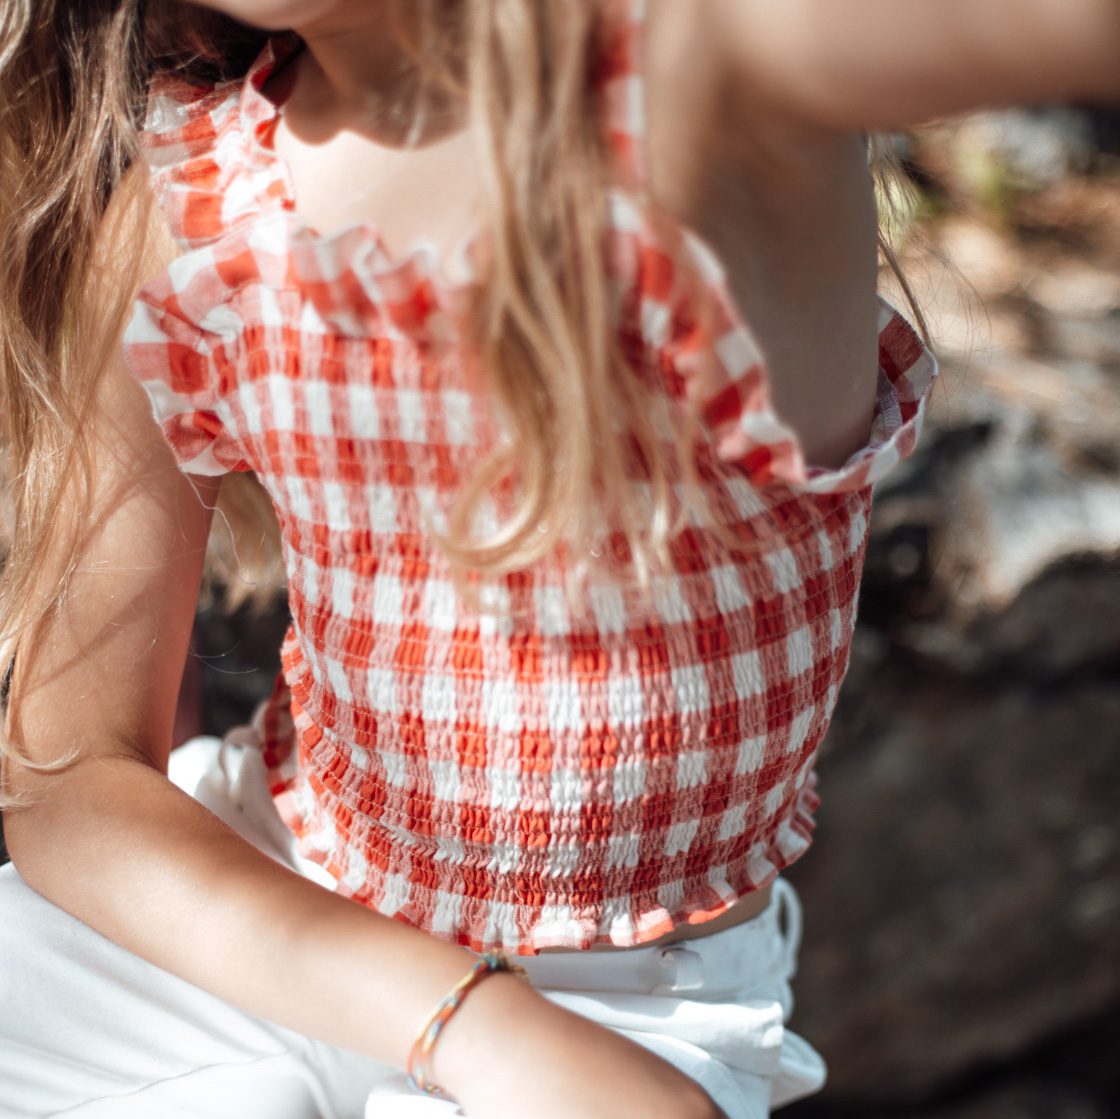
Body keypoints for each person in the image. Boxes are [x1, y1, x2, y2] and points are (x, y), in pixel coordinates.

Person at [0, 2, 1116, 1117]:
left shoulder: (696, 75)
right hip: (253, 927)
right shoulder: (189, 207)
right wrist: (465, 1021)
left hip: (624, 1021)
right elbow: (67, 779)